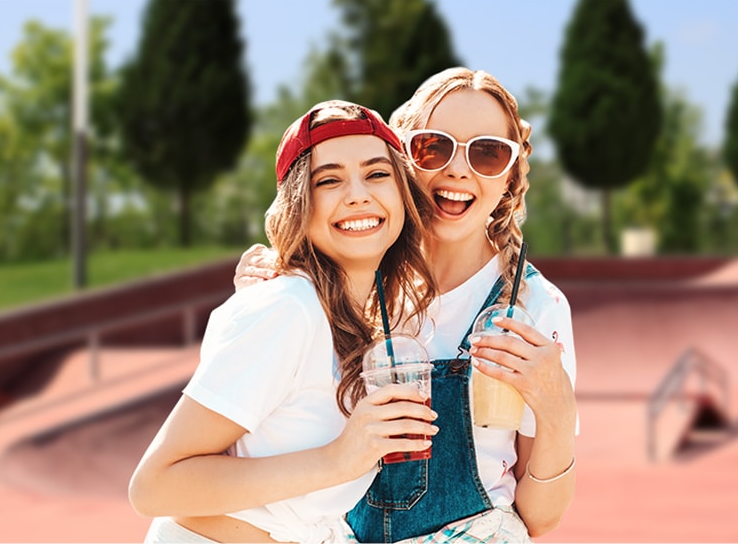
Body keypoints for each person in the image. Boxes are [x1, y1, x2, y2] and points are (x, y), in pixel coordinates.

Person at [233, 68, 579, 543]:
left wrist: (557, 408)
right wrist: (263, 294)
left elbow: (542, 519)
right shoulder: (346, 279)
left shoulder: (534, 307)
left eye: (488, 153)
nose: (459, 170)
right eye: (433, 147)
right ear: (401, 160)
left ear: (509, 178)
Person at [129, 100, 442, 543]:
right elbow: (154, 486)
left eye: (377, 174)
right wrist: (338, 459)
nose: (358, 194)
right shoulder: (288, 309)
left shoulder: (360, 321)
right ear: (299, 204)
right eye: (328, 180)